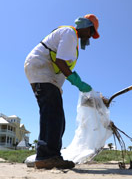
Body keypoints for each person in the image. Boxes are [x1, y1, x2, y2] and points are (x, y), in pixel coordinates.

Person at [24, 14, 100, 169]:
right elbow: (60, 61)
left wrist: (73, 80)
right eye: (92, 32)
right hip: (42, 71)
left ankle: (45, 155)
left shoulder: (70, 37)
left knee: (53, 115)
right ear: (86, 26)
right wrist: (77, 82)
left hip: (42, 73)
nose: (90, 37)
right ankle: (48, 156)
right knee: (53, 115)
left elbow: (61, 63)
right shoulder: (70, 33)